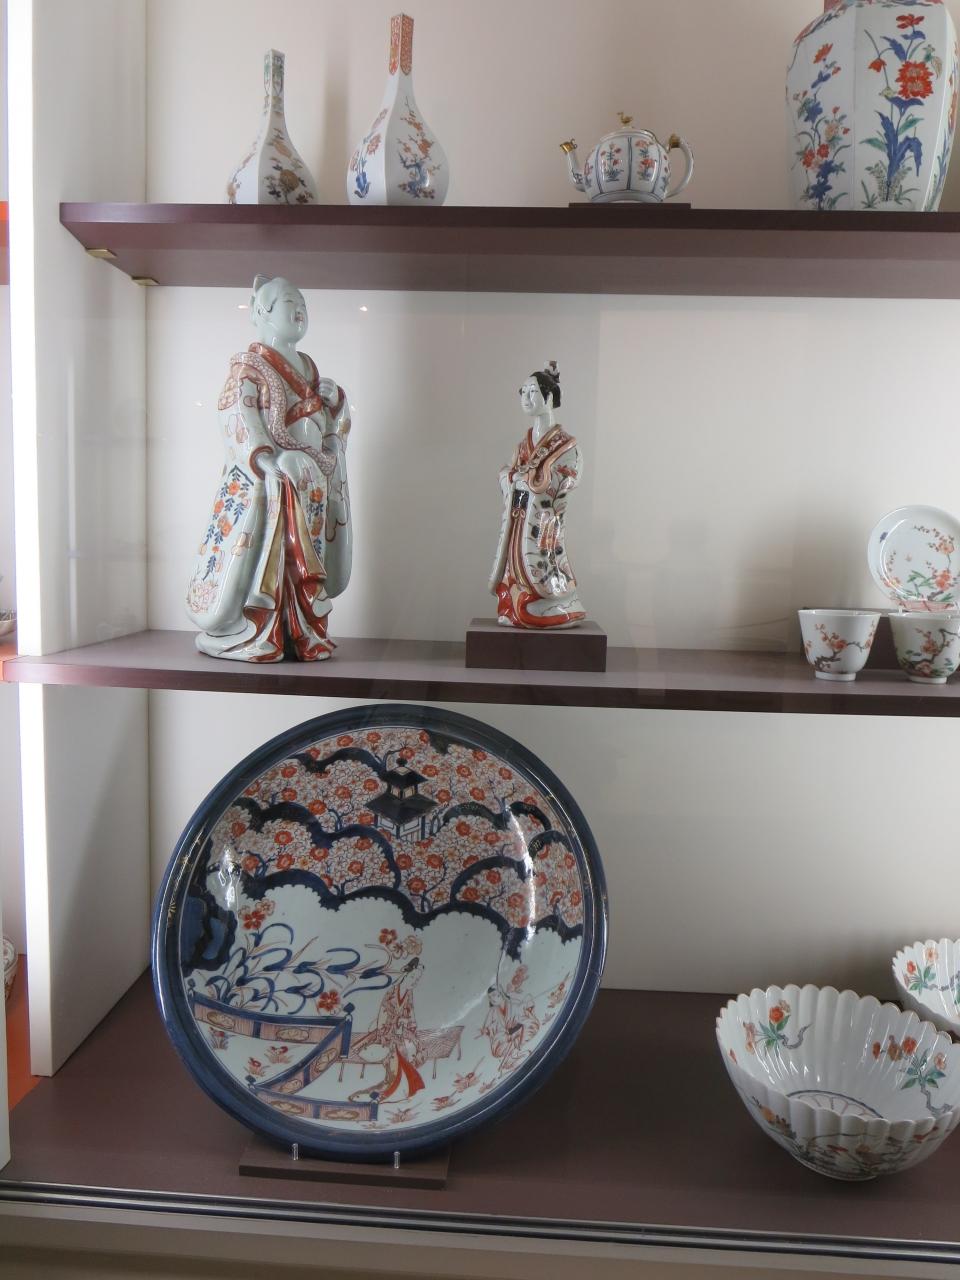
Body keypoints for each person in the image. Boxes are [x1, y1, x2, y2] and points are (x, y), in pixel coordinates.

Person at [186, 276, 352, 661]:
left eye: (304, 305)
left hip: (310, 487)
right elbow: (236, 416)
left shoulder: (311, 371)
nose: (300, 311)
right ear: (261, 311)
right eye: (290, 302)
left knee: (306, 558)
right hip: (268, 487)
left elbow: (330, 428)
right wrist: (265, 459)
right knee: (266, 559)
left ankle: (301, 630)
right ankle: (259, 628)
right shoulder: (248, 369)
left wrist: (336, 403)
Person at [488, 361, 585, 628]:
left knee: (541, 560)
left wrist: (532, 481)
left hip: (543, 522)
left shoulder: (566, 445)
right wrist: (512, 478)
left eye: (533, 392)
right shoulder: (524, 444)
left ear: (549, 397)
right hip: (519, 516)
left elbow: (568, 479)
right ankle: (515, 605)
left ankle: (552, 606)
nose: (526, 398)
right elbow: (507, 471)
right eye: (524, 392)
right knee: (514, 560)